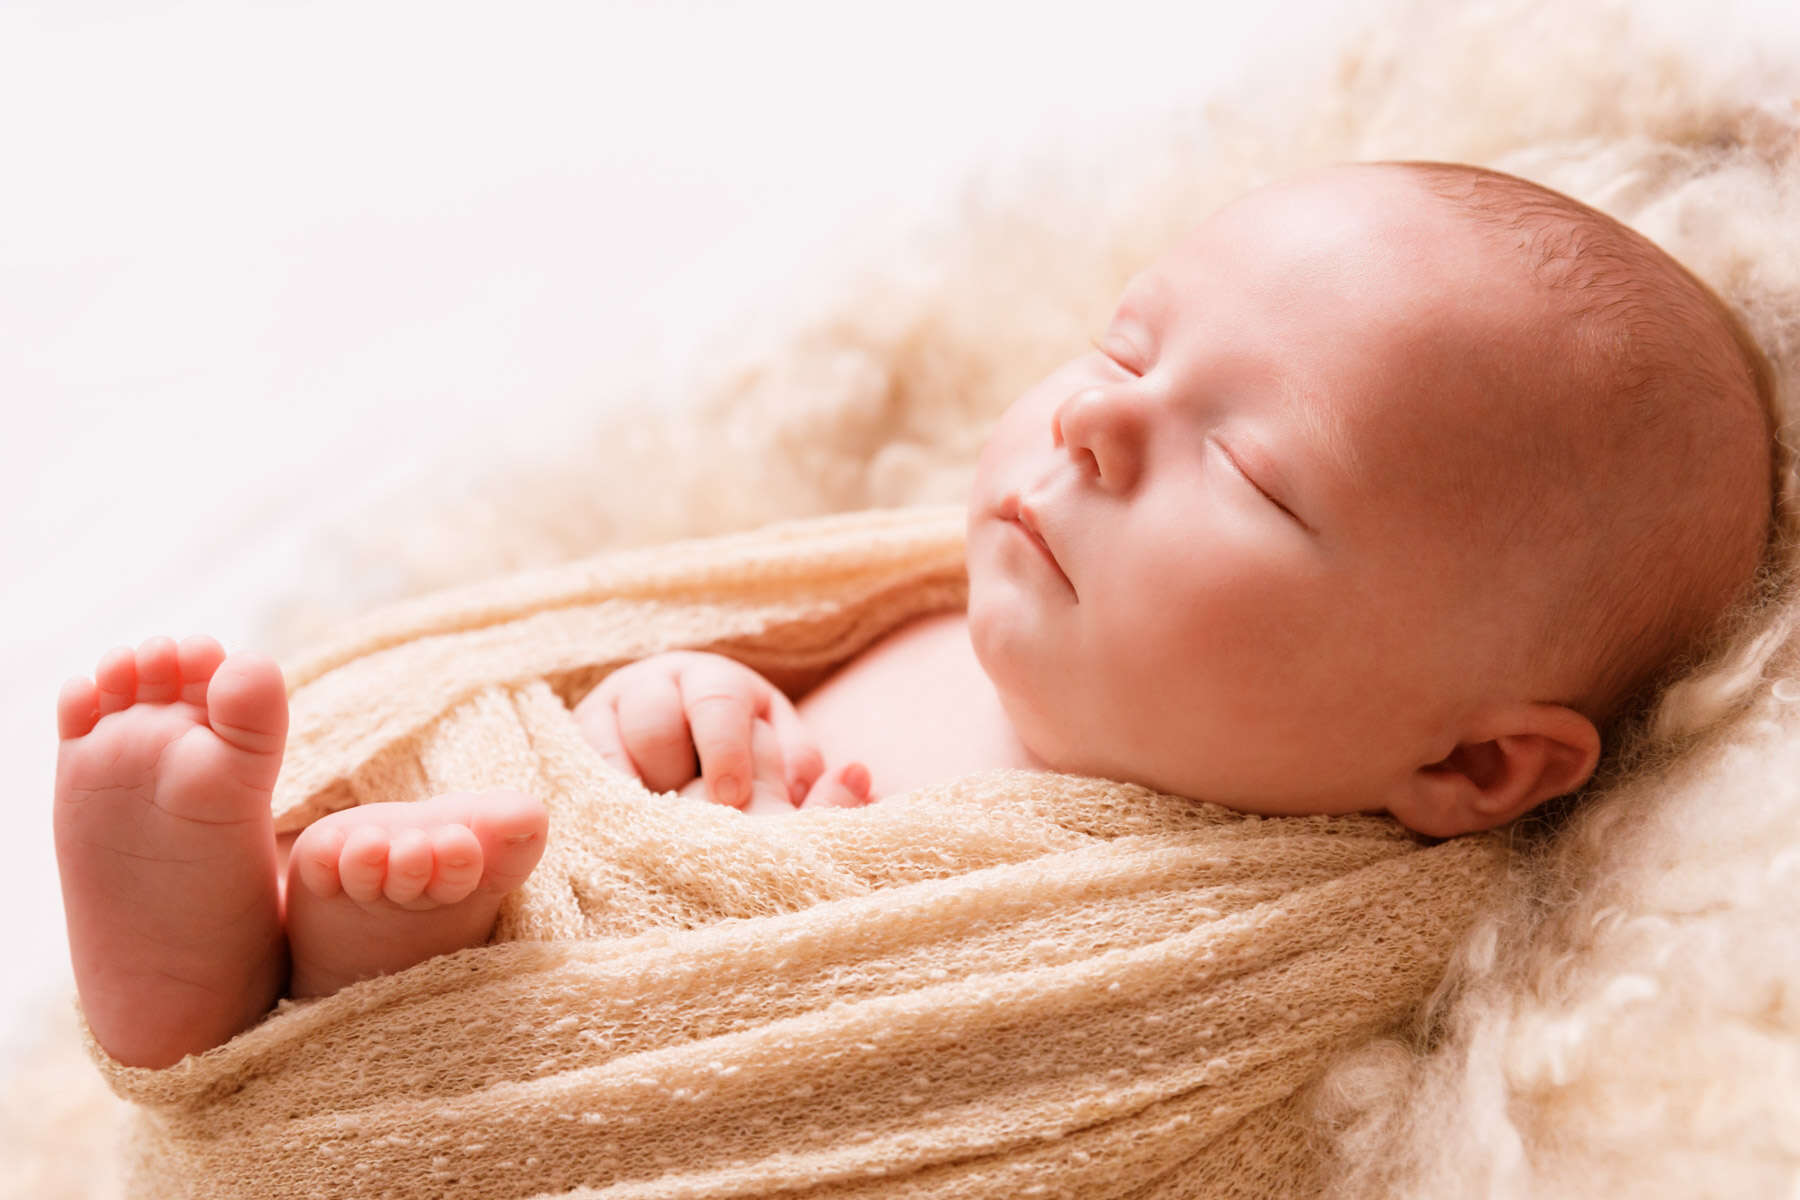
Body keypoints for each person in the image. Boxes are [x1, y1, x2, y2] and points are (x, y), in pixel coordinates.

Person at [52, 161, 1775, 1070]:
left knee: (455, 949)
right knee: (473, 840)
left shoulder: (1256, 937)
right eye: (1123, 348)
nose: (1094, 424)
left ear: (1473, 767)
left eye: (1253, 475)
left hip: (645, 1071)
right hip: (561, 880)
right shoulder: (923, 599)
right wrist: (660, 710)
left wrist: (758, 900)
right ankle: (237, 974)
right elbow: (683, 658)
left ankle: (348, 994)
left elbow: (1011, 1102)